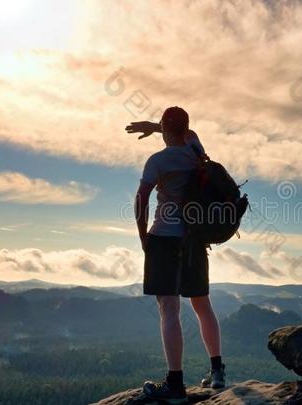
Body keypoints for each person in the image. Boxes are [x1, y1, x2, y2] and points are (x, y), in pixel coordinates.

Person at [126, 107, 225, 403]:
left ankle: (175, 384)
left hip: (164, 239)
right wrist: (158, 127)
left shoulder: (157, 161)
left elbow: (141, 199)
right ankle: (218, 371)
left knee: (169, 310)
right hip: (194, 239)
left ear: (163, 129)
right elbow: (183, 133)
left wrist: (144, 238)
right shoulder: (195, 148)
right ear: (186, 127)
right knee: (202, 305)